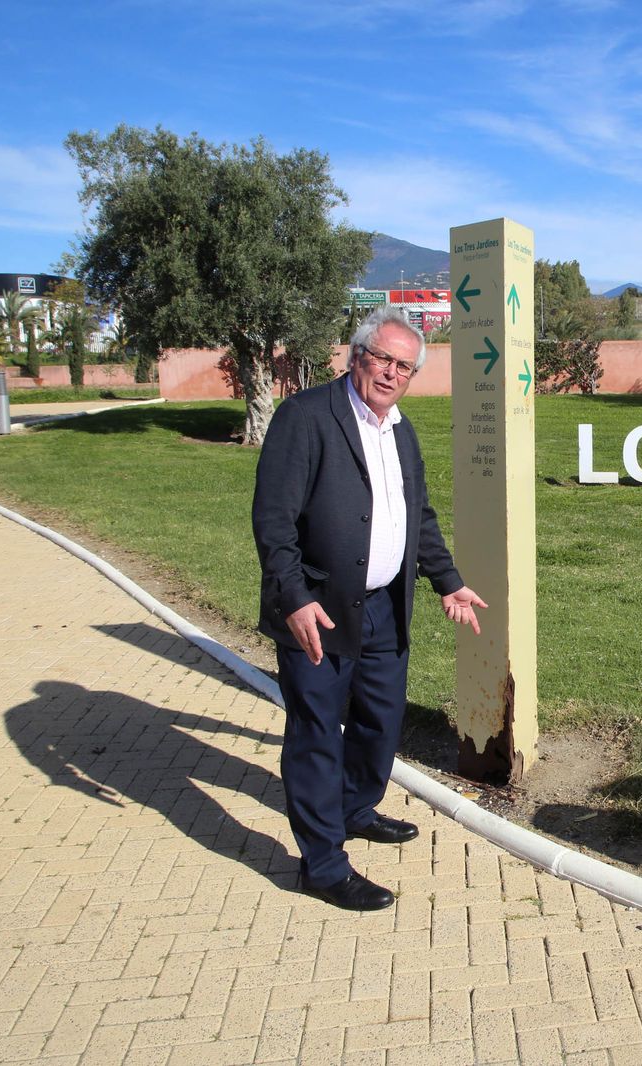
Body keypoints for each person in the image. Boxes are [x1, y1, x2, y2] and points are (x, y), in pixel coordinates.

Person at [252, 306, 486, 911]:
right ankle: (323, 865)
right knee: (316, 733)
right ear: (356, 356)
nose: (390, 373)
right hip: (318, 611)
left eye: (404, 366)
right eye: (382, 358)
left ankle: (356, 806)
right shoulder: (305, 417)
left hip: (385, 605)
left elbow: (418, 519)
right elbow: (273, 523)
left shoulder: (400, 429)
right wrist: (294, 599)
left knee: (381, 722)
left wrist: (448, 582)